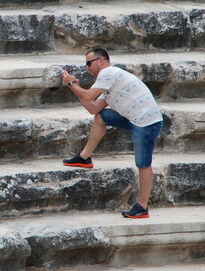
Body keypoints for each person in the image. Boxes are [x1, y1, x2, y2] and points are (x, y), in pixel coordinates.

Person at [60, 47, 162, 218]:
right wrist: (75, 87)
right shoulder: (108, 84)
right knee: (101, 116)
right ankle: (84, 158)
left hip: (146, 123)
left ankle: (142, 207)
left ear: (101, 60)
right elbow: (93, 108)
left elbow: (87, 96)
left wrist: (71, 84)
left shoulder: (108, 72)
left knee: (143, 164)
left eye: (88, 63)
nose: (87, 68)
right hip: (132, 118)